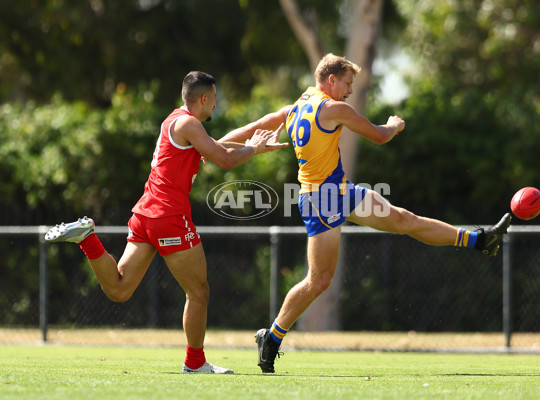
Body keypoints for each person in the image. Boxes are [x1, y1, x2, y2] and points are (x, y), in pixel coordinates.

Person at [224, 53, 511, 373]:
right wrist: (394, 124)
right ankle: (272, 336)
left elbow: (256, 125)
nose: (349, 90)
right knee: (319, 280)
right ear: (331, 80)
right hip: (321, 200)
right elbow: (379, 135)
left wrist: (211, 147)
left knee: (404, 219)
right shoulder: (334, 108)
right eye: (347, 83)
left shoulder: (300, 103)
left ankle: (479, 240)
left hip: (341, 191)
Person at [45, 71, 287, 374]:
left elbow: (219, 146)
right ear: (203, 98)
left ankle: (86, 239)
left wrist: (257, 135)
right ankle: (195, 363)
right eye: (214, 99)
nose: (215, 105)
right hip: (169, 217)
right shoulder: (189, 124)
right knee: (198, 292)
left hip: (145, 213)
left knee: (119, 289)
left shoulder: (177, 120)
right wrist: (255, 148)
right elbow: (223, 158)